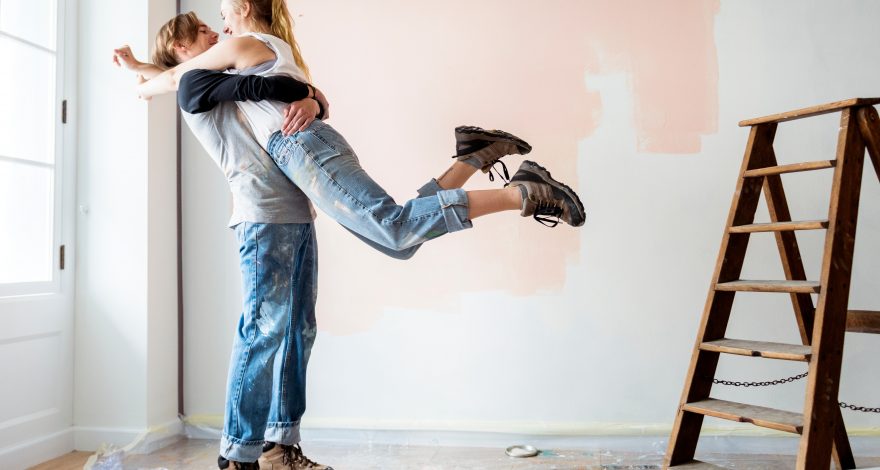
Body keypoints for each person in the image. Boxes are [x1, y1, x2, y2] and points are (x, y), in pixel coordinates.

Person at [115, 2, 585, 468]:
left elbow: (211, 78)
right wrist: (143, 70)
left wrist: (312, 97)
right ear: (182, 49)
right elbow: (179, 78)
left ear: (241, 7)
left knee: (384, 241)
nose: (215, 29)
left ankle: (520, 191)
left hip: (294, 192)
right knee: (375, 255)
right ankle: (478, 161)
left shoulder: (237, 53)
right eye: (201, 30)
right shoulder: (200, 80)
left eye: (217, 16)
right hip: (267, 211)